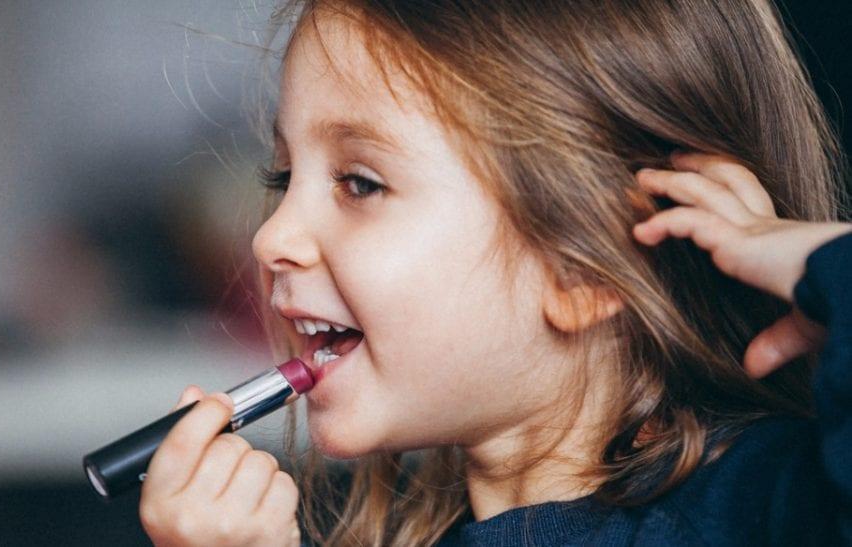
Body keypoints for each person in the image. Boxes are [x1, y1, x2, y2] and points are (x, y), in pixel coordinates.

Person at [137, 1, 852, 545]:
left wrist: (819, 261)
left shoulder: (779, 507)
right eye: (283, 175)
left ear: (586, 266)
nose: (270, 237)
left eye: (359, 184)